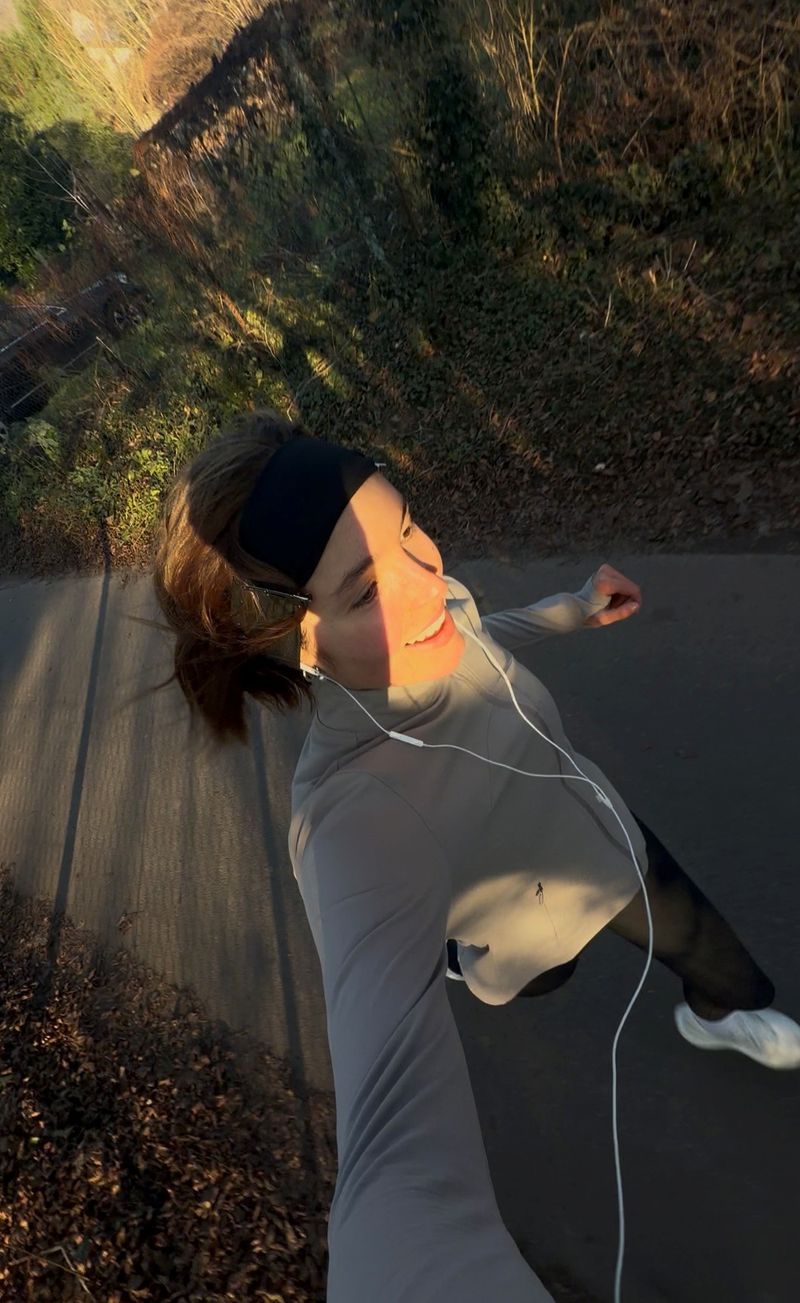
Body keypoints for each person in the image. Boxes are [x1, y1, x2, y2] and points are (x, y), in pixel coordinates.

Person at [152, 408, 800, 1302]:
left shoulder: (432, 604)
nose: (426, 576)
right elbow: (389, 1161)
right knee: (545, 976)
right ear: (296, 643)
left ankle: (720, 1013)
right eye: (365, 591)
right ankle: (454, 953)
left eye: (408, 527)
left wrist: (573, 607)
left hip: (605, 835)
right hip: (519, 924)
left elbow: (475, 629)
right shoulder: (349, 812)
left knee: (722, 960)